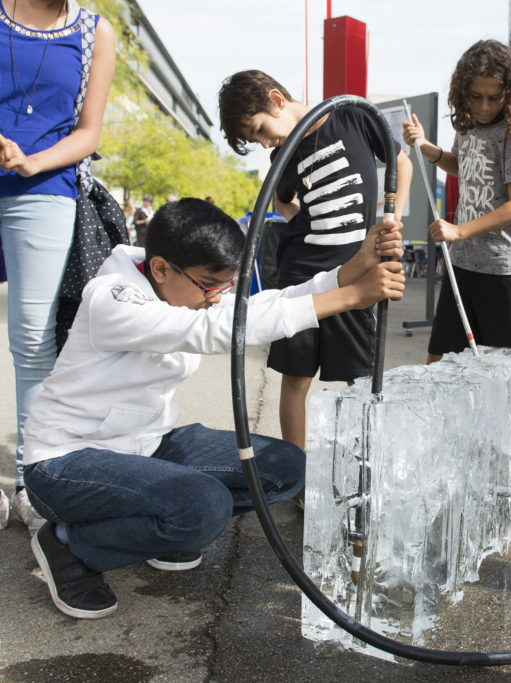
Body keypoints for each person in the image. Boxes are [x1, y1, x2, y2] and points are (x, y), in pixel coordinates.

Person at [21, 198, 405, 619]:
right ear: (162, 268)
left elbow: (257, 306)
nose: (217, 296)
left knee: (285, 467)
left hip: (147, 445)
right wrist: (351, 297)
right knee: (203, 507)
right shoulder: (112, 300)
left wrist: (352, 270)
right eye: (211, 285)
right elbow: (216, 330)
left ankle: (158, 532)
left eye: (226, 283)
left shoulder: (186, 283)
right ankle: (68, 547)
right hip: (67, 462)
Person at [219, 70, 411, 451]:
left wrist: (392, 220)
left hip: (357, 272)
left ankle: (367, 461)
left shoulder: (352, 115)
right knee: (296, 377)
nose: (263, 142)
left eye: (260, 129)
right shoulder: (283, 156)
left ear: (277, 99)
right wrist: (301, 221)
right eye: (255, 139)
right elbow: (281, 201)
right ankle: (298, 470)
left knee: (362, 374)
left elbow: (400, 163)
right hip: (300, 276)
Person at [402, 40, 511, 499]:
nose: (486, 105)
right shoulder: (469, 126)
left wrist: (460, 231)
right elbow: (463, 167)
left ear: (510, 93)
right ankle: (451, 455)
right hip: (464, 268)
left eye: (495, 96)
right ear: (462, 94)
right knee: (440, 366)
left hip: (507, 269)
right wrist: (428, 148)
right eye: (476, 96)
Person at [0, 0, 115, 532]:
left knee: (33, 340)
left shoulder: (95, 30)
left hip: (43, 190)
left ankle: (33, 478)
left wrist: (31, 161)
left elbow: (88, 132)